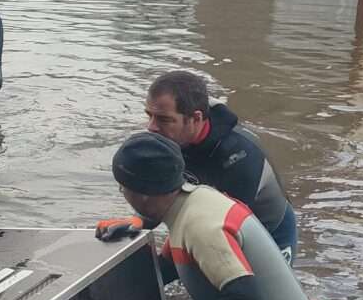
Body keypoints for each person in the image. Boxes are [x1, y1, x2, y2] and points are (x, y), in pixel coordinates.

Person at [108, 133, 332, 300]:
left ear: (142, 194)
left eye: (122, 188)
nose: (124, 195)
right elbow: (163, 270)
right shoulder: (197, 200)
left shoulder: (201, 226)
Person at [98, 71, 298, 264]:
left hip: (269, 231)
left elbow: (215, 224)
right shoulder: (171, 138)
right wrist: (139, 222)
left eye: (163, 119)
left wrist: (166, 264)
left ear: (196, 118)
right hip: (212, 214)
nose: (151, 127)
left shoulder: (240, 156)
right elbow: (164, 196)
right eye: (149, 115)